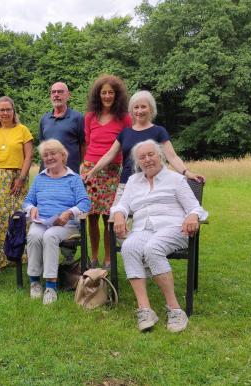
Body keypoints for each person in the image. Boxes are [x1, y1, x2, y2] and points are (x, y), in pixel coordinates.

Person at [110, 140, 208, 332]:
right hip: (143, 230)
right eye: (142, 157)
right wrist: (120, 214)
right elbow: (122, 205)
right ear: (137, 162)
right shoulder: (133, 181)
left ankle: (175, 309)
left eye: (151, 154)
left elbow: (195, 207)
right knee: (129, 246)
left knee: (153, 248)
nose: (147, 160)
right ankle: (145, 309)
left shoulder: (176, 179)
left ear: (160, 156)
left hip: (173, 228)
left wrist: (194, 216)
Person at [84, 90, 204, 203]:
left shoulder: (159, 132)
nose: (139, 111)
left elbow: (172, 157)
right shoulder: (125, 133)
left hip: (153, 185)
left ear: (151, 109)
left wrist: (187, 173)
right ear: (131, 110)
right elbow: (109, 155)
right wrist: (92, 172)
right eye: (136, 107)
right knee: (116, 220)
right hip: (126, 185)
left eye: (143, 107)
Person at [23, 139, 90, 305]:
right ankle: (34, 282)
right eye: (45, 155)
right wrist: (31, 208)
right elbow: (27, 201)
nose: (49, 157)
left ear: (63, 156)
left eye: (53, 154)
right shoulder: (40, 179)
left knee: (50, 236)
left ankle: (51, 286)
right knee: (33, 235)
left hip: (66, 224)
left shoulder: (73, 179)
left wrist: (69, 212)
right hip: (43, 221)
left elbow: (85, 203)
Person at [81, 75, 132, 269]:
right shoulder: (90, 117)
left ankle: (108, 258)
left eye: (111, 92)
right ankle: (94, 257)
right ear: (98, 95)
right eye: (104, 92)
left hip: (112, 172)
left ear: (117, 95)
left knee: (109, 216)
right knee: (91, 217)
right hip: (91, 171)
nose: (107, 96)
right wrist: (87, 168)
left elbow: (127, 144)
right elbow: (88, 142)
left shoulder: (124, 118)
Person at [0, 96, 33, 274]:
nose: (4, 113)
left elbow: (28, 157)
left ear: (13, 111)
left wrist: (22, 178)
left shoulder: (23, 130)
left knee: (14, 218)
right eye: (1, 110)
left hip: (15, 178)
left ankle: (13, 255)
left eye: (8, 109)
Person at [39, 82, 85, 174]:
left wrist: (81, 164)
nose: (56, 95)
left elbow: (84, 145)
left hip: (70, 173)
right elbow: (42, 146)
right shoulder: (44, 119)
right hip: (48, 173)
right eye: (53, 92)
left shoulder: (77, 118)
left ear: (68, 95)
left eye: (60, 92)